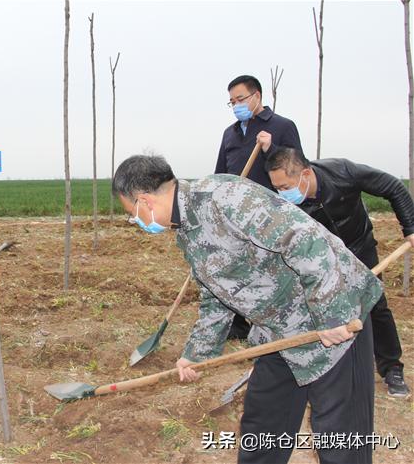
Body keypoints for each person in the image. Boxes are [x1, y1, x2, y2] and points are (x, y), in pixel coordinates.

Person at [113, 155, 382, 464]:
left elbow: (305, 240)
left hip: (333, 318)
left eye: (132, 215)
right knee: (263, 424)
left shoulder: (225, 198)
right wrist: (198, 353)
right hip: (280, 330)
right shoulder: (187, 230)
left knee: (339, 436)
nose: (137, 223)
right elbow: (218, 294)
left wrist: (332, 312)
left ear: (144, 202)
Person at [266, 147, 414, 397]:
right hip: (323, 259)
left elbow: (393, 187)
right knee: (320, 311)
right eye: (277, 188)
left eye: (285, 186)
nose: (282, 194)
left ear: (305, 173)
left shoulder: (343, 172)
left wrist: (410, 227)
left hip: (360, 247)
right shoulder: (286, 207)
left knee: (376, 305)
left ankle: (391, 368)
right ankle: (324, 369)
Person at [215, 74, 304, 340]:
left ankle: (272, 323)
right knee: (240, 268)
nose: (236, 105)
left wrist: (271, 148)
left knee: (270, 269)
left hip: (270, 213)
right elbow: (221, 172)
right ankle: (240, 323)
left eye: (240, 99)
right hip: (237, 214)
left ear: (257, 96)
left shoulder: (282, 126)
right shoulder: (229, 134)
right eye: (231, 102)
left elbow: (297, 167)